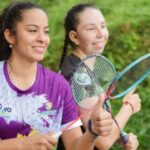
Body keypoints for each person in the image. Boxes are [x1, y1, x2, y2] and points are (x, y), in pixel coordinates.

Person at [0, 1, 114, 150]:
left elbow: (74, 147)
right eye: (33, 30)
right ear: (10, 36)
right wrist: (22, 144)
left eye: (46, 31)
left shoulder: (59, 85)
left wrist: (92, 132)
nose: (43, 38)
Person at [59, 3, 141, 150]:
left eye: (103, 26)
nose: (100, 34)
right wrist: (129, 107)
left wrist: (121, 137)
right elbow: (103, 141)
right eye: (91, 28)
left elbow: (95, 128)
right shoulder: (77, 77)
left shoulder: (83, 67)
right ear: (74, 36)